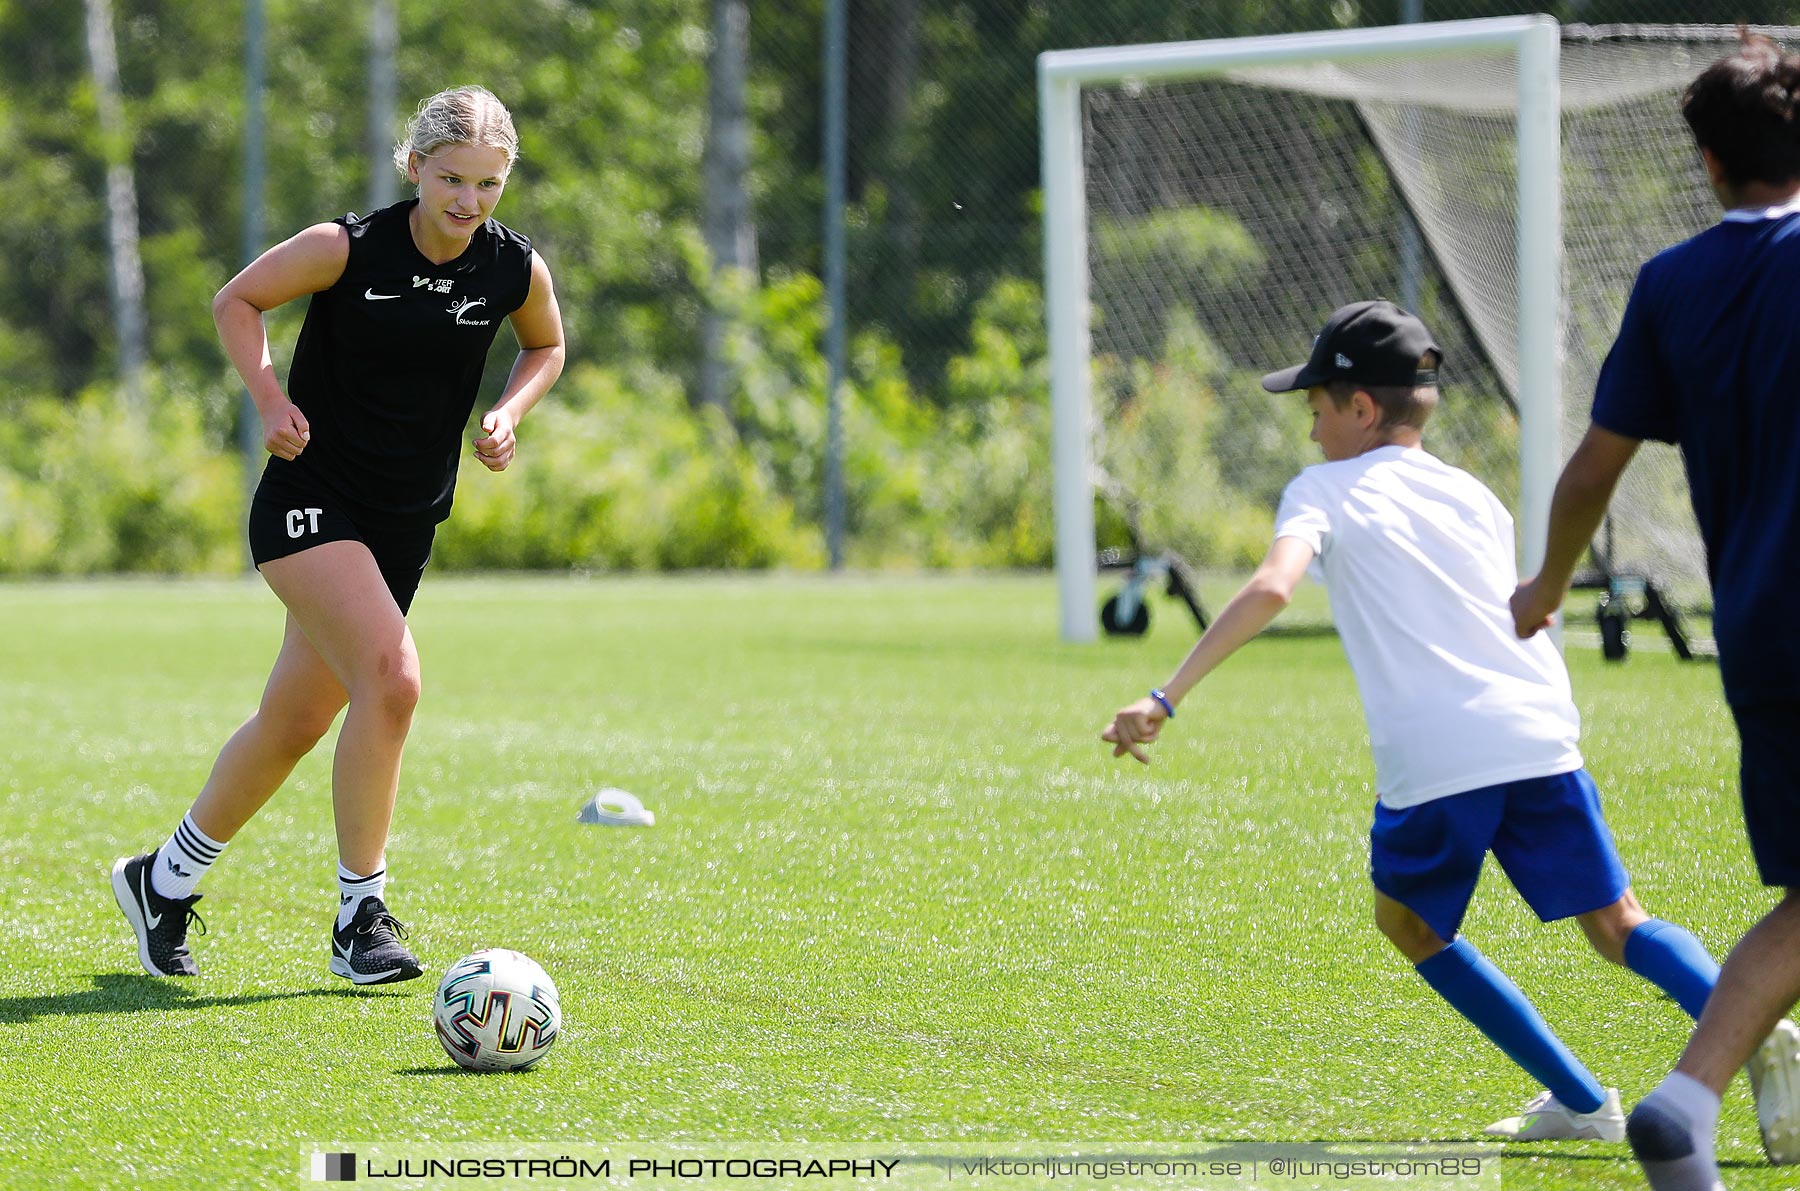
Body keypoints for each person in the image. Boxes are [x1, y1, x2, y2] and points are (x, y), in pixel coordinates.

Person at [1104, 299, 1787, 1143]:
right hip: (1540, 728)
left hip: (1439, 753)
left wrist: (1164, 696)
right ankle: (1759, 1029)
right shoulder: (1472, 493)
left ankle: (1581, 1102)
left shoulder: (1320, 487)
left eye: (1316, 407)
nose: (1311, 429)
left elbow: (1275, 586)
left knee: (1406, 921)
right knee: (1619, 926)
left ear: (1358, 407)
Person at [110, 85, 565, 985]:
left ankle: (163, 881)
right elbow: (237, 301)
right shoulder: (344, 247)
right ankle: (362, 913)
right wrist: (270, 401)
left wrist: (509, 411)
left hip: (403, 524)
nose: (468, 201)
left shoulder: (512, 268)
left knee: (293, 723)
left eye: (487, 184)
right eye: (450, 179)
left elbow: (545, 345)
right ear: (414, 167)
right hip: (309, 502)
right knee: (393, 679)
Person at [1511, 31, 1800, 1190]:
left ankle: (1688, 1100)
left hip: (1762, 636)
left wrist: (1543, 586)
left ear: (1706, 161)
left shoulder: (1671, 283)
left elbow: (1591, 469)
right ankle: (1693, 1095)